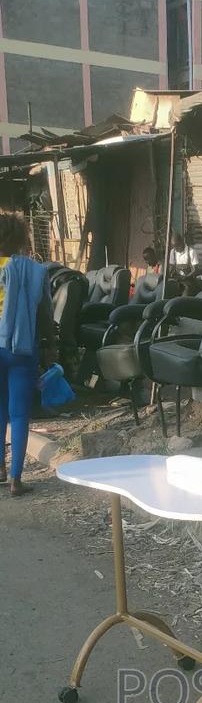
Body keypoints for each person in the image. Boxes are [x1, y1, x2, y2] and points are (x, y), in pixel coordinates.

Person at [0, 211, 55, 496]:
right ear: (21, 238)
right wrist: (52, 346)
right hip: (23, 349)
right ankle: (15, 479)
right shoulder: (36, 271)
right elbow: (46, 315)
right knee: (19, 413)